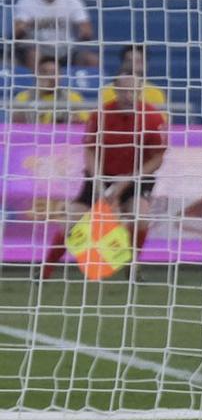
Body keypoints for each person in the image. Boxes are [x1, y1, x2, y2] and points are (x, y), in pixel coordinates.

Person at [43, 82, 168, 280]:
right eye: (124, 90)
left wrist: (127, 182)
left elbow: (158, 158)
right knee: (72, 222)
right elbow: (90, 150)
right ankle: (44, 271)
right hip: (101, 176)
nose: (129, 94)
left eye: (132, 89)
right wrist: (100, 183)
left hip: (136, 178)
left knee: (140, 216)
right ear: (116, 91)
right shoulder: (100, 115)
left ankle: (132, 266)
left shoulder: (152, 117)